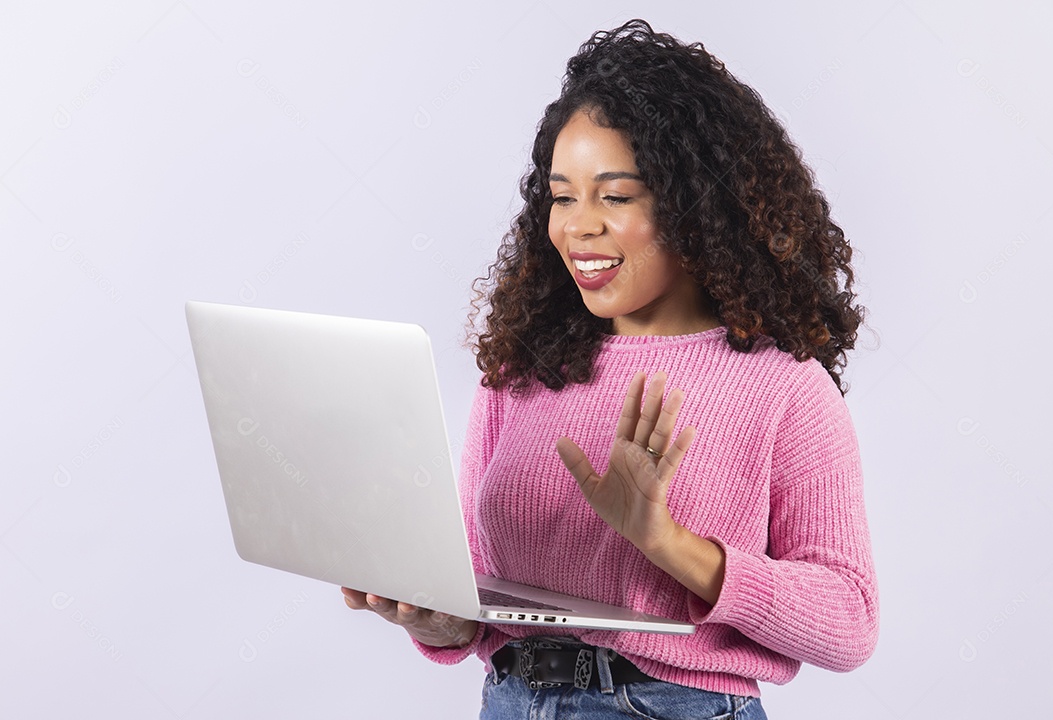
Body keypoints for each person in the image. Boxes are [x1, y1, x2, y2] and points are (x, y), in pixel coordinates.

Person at [342, 18, 877, 718]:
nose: (578, 226)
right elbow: (479, 593)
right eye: (562, 196)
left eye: (615, 196)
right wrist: (431, 617)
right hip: (511, 699)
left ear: (695, 206)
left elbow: (849, 622)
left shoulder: (783, 387)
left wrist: (669, 544)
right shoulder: (523, 371)